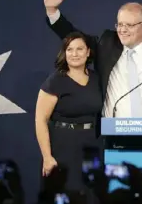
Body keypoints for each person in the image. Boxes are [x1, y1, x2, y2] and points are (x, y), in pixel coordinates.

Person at [35, 32, 103, 191]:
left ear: (88, 52)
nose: (74, 54)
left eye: (79, 49)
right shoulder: (55, 81)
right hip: (63, 146)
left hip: (92, 145)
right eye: (70, 49)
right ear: (64, 53)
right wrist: (47, 157)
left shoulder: (97, 79)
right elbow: (40, 120)